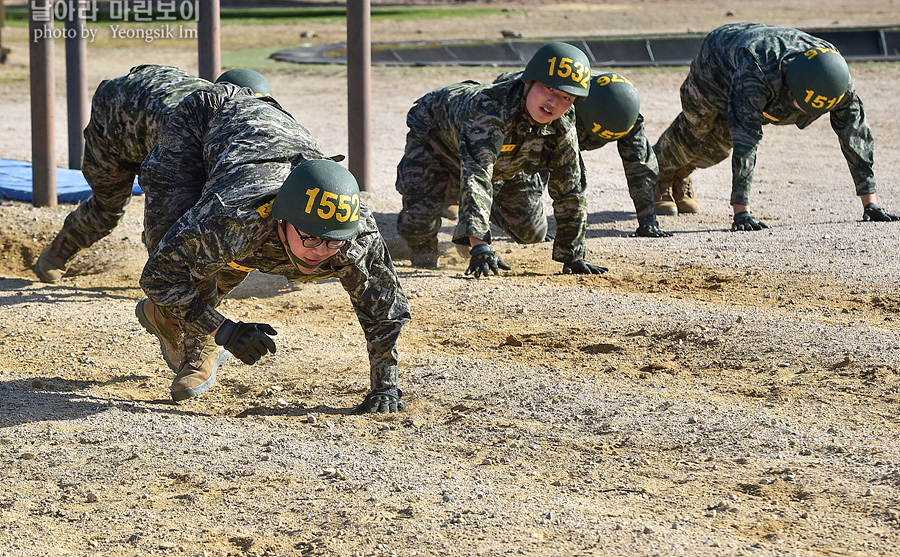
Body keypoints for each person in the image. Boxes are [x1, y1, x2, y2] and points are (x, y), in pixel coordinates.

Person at [135, 89, 410, 413]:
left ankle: (184, 321)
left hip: (277, 136)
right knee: (171, 239)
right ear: (281, 222)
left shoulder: (354, 236)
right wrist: (224, 330)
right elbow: (159, 276)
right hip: (204, 123)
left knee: (228, 253)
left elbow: (382, 307)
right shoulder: (237, 217)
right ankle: (185, 334)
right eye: (309, 237)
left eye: (332, 241)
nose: (320, 251)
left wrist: (386, 386)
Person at [33, 65, 273, 283]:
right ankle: (59, 251)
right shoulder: (188, 130)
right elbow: (164, 214)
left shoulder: (234, 121)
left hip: (148, 109)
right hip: (113, 121)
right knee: (108, 207)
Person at [653, 22, 900, 229]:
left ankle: (682, 173)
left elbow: (855, 135)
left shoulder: (836, 81)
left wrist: (871, 203)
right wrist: (742, 212)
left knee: (719, 145)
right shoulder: (758, 70)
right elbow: (746, 138)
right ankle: (659, 177)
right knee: (695, 130)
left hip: (758, 60)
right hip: (716, 64)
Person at [395, 41, 608, 277]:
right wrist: (481, 246)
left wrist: (573, 254)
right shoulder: (489, 109)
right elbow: (477, 174)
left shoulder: (563, 120)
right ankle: (435, 232)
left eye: (567, 97)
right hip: (435, 136)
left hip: (500, 164)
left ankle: (467, 222)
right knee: (418, 228)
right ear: (528, 82)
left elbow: (571, 187)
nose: (554, 103)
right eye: (548, 89)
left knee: (531, 232)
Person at [492, 69, 671, 238]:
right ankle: (484, 209)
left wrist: (648, 220)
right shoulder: (556, 103)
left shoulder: (626, 114)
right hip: (517, 105)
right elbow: (532, 162)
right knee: (522, 202)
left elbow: (640, 165)